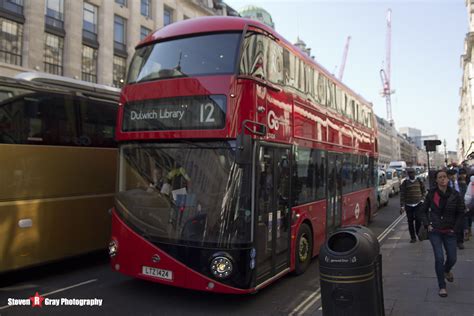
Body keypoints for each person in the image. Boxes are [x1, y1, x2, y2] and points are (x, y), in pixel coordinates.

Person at [418, 170, 465, 298]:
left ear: (448, 179)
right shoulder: (431, 194)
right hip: (435, 231)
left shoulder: (455, 195)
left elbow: (461, 213)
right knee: (439, 258)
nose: (443, 179)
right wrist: (428, 224)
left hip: (450, 231)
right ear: (437, 180)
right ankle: (442, 286)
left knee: (452, 258)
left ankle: (446, 270)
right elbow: (422, 211)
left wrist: (455, 229)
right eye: (440, 177)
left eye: (445, 177)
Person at [400, 167, 426, 243]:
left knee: (418, 220)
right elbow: (402, 194)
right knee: (410, 222)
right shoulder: (405, 183)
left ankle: (418, 234)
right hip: (409, 205)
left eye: (412, 173)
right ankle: (413, 237)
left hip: (418, 204)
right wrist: (402, 206)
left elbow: (423, 190)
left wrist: (422, 199)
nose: (411, 174)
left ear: (415, 173)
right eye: (409, 173)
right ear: (408, 174)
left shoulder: (419, 181)